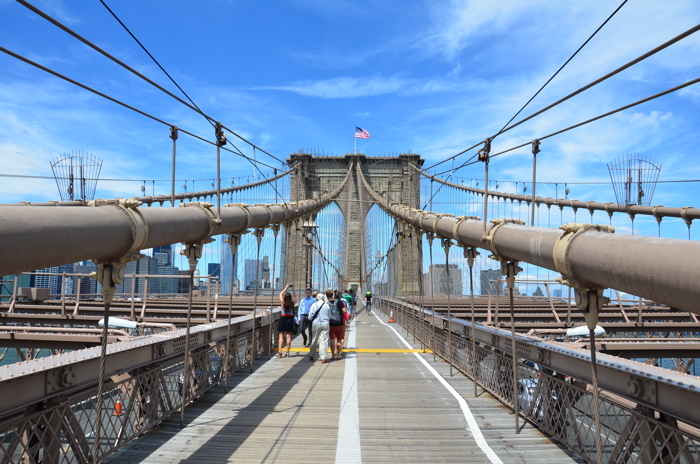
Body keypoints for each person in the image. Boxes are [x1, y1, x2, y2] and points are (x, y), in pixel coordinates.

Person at [308, 291, 332, 363]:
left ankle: (312, 355)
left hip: (316, 324)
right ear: (323, 298)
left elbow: (310, 317)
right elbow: (330, 316)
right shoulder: (327, 305)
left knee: (314, 339)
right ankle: (323, 357)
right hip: (325, 324)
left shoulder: (314, 305)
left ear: (317, 298)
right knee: (324, 341)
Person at [277, 284, 296, 358]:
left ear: (285, 297)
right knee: (288, 336)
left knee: (281, 336)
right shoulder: (292, 303)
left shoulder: (283, 302)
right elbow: (295, 297)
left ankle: (280, 352)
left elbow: (280, 294)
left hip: (283, 318)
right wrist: (293, 289)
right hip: (290, 319)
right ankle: (287, 353)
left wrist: (286, 288)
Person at [329, 291, 347, 360]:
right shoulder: (340, 302)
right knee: (339, 340)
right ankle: (339, 355)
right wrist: (340, 313)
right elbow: (344, 311)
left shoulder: (328, 303)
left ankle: (333, 355)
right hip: (340, 323)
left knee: (332, 339)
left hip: (331, 324)